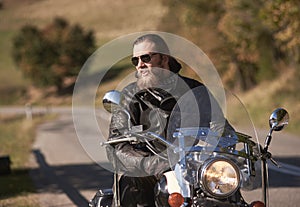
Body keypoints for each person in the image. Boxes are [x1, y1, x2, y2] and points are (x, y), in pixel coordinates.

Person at [106, 34, 231, 207]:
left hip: (192, 165)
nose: (140, 65)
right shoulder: (130, 96)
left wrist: (223, 150)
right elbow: (116, 144)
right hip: (149, 169)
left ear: (164, 58)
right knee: (132, 181)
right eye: (135, 61)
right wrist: (151, 163)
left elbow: (220, 126)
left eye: (146, 58)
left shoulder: (195, 90)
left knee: (226, 187)